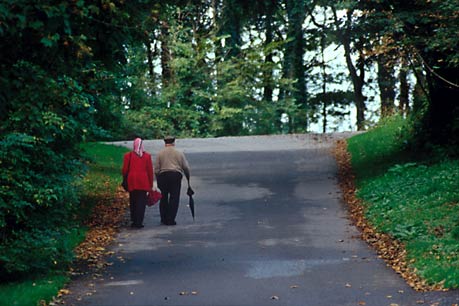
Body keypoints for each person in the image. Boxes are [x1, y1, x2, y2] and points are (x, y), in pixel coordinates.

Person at [155, 136, 191, 225]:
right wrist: (188, 177)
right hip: (175, 175)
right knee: (174, 197)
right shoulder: (179, 153)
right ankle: (171, 219)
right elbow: (186, 167)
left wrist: (157, 178)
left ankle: (164, 218)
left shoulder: (160, 153)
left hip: (163, 175)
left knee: (163, 197)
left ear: (165, 143)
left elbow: (156, 169)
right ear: (174, 143)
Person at [122, 138, 154, 228]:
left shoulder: (128, 156)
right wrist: (150, 184)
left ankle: (134, 220)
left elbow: (124, 170)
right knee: (141, 201)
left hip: (132, 180)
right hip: (143, 181)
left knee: (133, 200)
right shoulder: (147, 156)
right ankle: (139, 221)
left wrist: (125, 178)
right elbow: (149, 171)